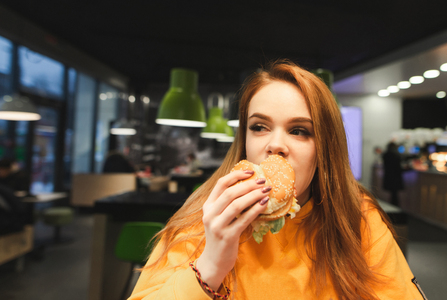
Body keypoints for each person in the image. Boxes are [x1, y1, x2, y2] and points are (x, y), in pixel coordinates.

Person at [129, 60, 426, 299]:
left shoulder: (358, 219)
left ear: (324, 148)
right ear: (244, 140)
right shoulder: (205, 219)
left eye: (299, 130)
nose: (275, 144)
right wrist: (210, 265)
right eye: (259, 127)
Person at [382, 142, 404, 206]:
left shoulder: (386, 155)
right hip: (395, 178)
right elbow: (399, 168)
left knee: (393, 195)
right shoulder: (396, 155)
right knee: (395, 195)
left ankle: (392, 208)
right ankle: (395, 209)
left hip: (389, 177)